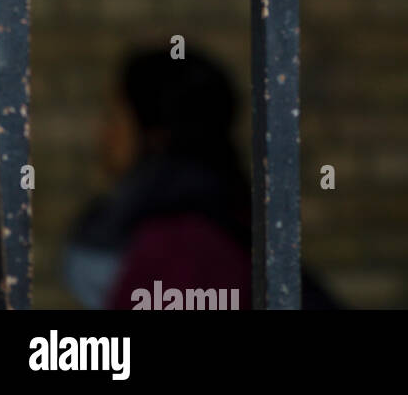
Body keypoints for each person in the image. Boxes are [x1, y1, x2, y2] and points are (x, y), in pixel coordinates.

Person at [63, 46, 338, 310]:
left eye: (115, 117)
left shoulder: (181, 244)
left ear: (155, 133)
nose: (104, 133)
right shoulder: (206, 217)